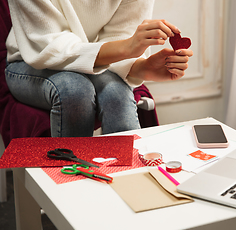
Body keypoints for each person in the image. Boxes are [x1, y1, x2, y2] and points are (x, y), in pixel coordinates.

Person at [5, 0, 193, 137]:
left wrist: (141, 68)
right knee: (74, 90)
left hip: (89, 56)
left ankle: (128, 180)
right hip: (30, 59)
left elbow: (119, 36)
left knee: (116, 92)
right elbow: (48, 43)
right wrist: (127, 48)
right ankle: (72, 184)